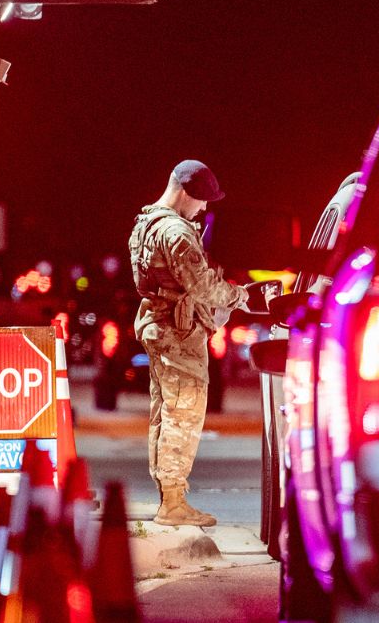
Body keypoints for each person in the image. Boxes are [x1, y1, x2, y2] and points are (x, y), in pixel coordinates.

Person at [128, 160, 265, 527]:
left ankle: (168, 498)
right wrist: (239, 296)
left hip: (159, 326)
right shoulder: (176, 232)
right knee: (183, 414)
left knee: (164, 412)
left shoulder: (146, 223)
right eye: (202, 200)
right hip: (179, 333)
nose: (205, 209)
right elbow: (202, 286)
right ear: (185, 191)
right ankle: (173, 505)